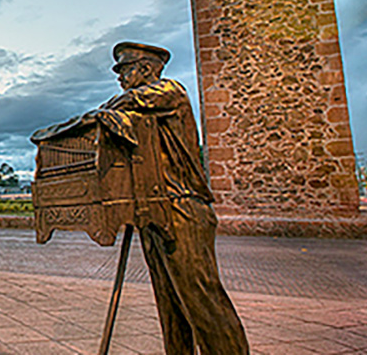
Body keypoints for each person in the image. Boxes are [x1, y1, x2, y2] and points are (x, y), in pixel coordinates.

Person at [89, 41, 248, 354]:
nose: (120, 77)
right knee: (171, 307)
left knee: (203, 303)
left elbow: (125, 102)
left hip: (182, 208)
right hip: (155, 213)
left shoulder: (169, 92)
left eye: (124, 69)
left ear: (146, 68)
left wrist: (107, 110)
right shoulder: (140, 110)